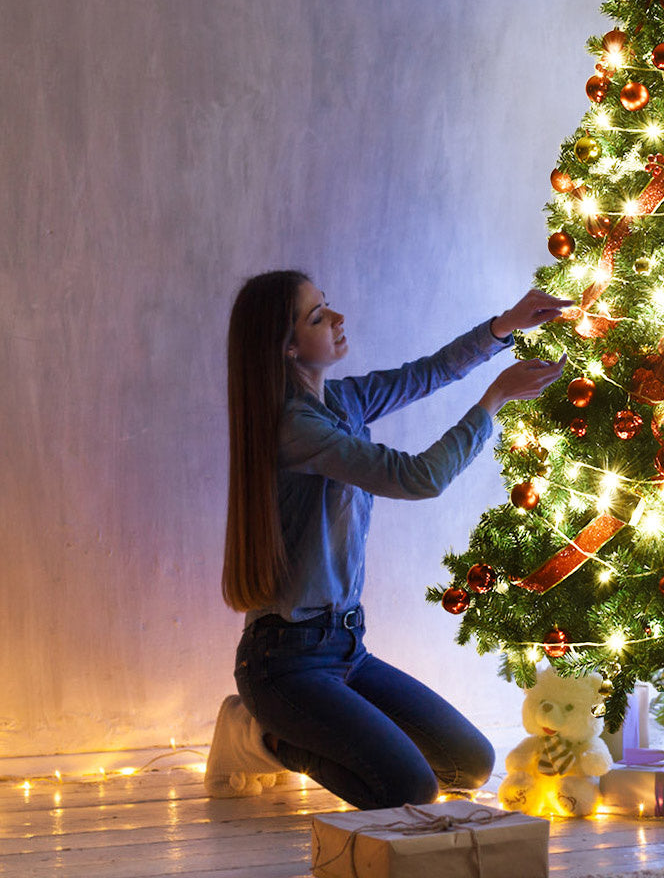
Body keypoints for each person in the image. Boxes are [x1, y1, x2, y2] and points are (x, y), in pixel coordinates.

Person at [204, 270, 570, 808]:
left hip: (347, 647)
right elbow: (418, 478)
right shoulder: (294, 427)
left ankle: (298, 727)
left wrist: (502, 327)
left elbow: (428, 374)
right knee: (408, 789)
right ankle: (262, 737)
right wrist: (492, 402)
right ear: (285, 347)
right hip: (283, 662)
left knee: (468, 766)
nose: (337, 318)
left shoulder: (343, 402)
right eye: (317, 316)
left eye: (327, 304)